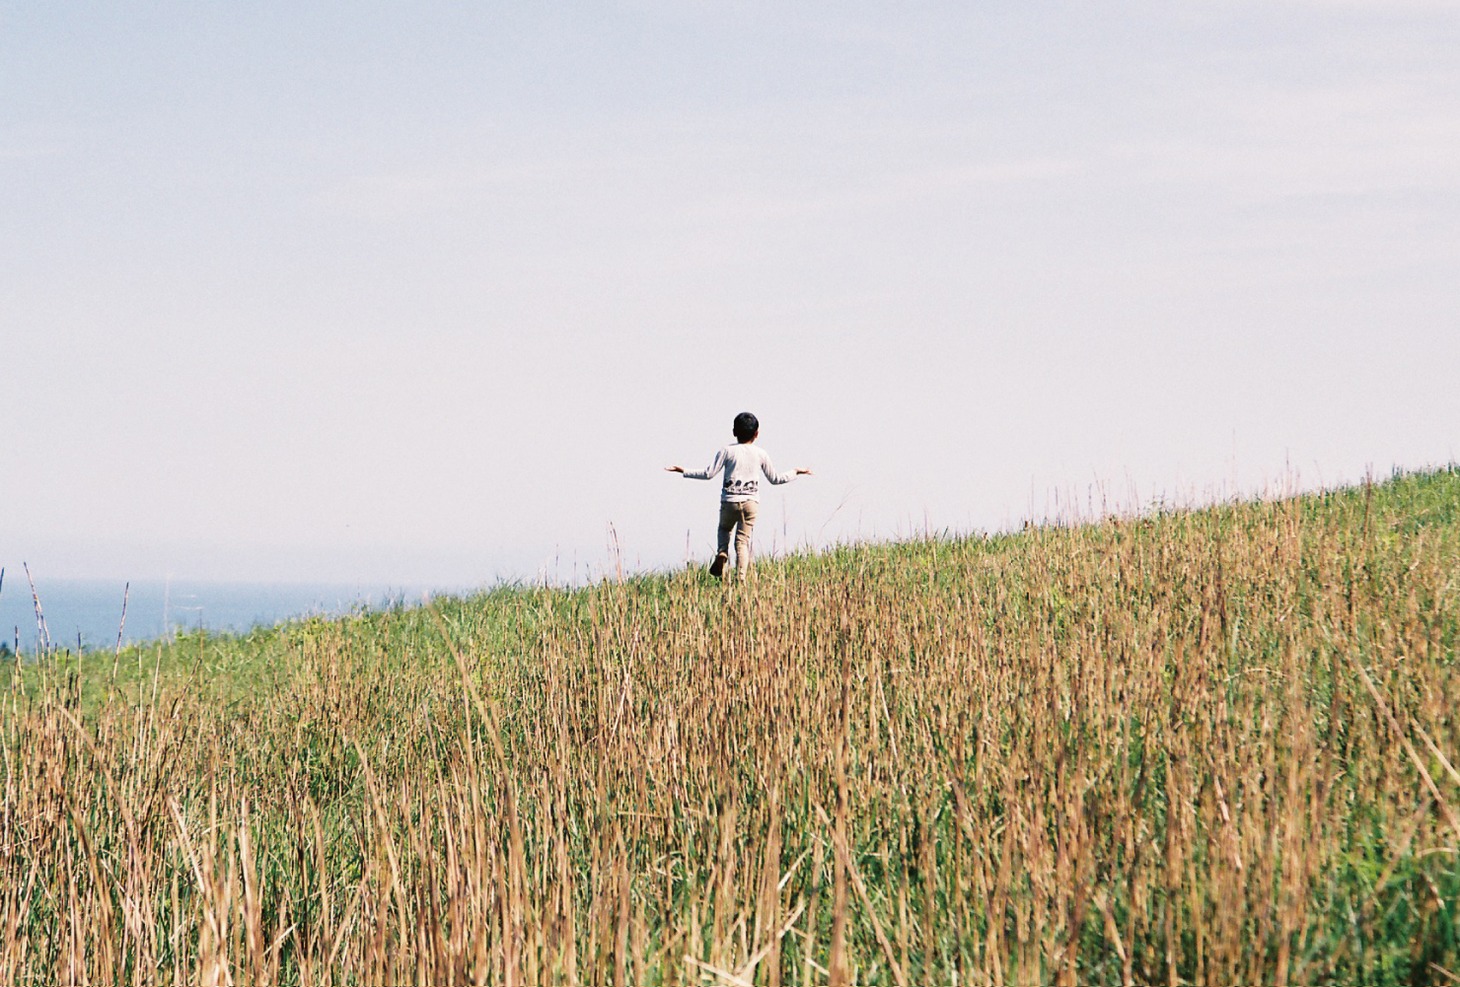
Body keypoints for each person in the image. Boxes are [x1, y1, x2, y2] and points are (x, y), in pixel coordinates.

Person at [666, 411, 812, 578]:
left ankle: (722, 552)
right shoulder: (761, 454)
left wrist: (683, 470)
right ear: (756, 434)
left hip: (729, 500)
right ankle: (741, 578)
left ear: (734, 431)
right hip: (751, 503)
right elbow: (775, 479)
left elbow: (708, 474)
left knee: (724, 529)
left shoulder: (726, 451)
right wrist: (795, 472)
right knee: (742, 542)